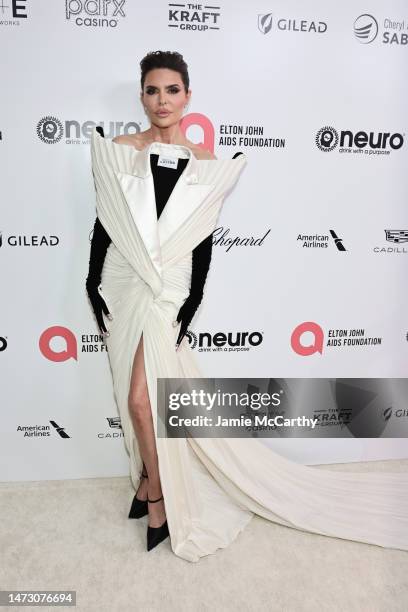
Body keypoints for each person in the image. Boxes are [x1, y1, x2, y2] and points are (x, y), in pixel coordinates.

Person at [87, 50, 408, 562]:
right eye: (152, 90)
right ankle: (149, 474)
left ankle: (159, 493)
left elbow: (202, 242)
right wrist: (91, 281)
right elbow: (107, 223)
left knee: (141, 400)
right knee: (135, 393)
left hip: (168, 288)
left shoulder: (207, 166)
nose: (162, 100)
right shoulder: (121, 149)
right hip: (123, 282)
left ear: (188, 96)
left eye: (172, 90)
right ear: (141, 96)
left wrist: (189, 303)